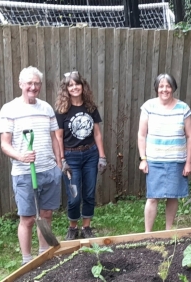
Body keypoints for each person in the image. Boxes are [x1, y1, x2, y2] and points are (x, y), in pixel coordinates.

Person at [0, 66, 62, 265]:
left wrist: (59, 166)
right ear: (21, 85)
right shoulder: (9, 109)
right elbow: (4, 144)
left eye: (37, 83)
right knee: (27, 218)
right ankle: (27, 260)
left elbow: (54, 138)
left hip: (49, 171)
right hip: (24, 173)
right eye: (29, 83)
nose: (33, 87)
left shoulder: (46, 108)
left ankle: (43, 253)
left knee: (46, 214)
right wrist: (21, 156)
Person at [138, 73, 191, 232]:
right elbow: (141, 135)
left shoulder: (183, 108)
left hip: (176, 160)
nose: (165, 89)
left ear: (173, 88)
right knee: (152, 197)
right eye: (161, 86)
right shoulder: (148, 106)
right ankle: (147, 233)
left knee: (173, 196)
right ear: (156, 88)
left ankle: (168, 231)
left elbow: (190, 136)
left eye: (168, 86)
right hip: (154, 160)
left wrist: (188, 162)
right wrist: (143, 159)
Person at [55, 71, 107, 240]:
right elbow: (59, 137)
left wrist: (102, 156)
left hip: (90, 155)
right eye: (70, 85)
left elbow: (97, 134)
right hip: (71, 158)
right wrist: (62, 159)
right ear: (66, 89)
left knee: (89, 194)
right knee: (74, 196)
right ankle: (72, 227)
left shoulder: (91, 107)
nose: (74, 87)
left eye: (77, 84)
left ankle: (86, 227)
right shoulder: (62, 110)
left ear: (82, 86)